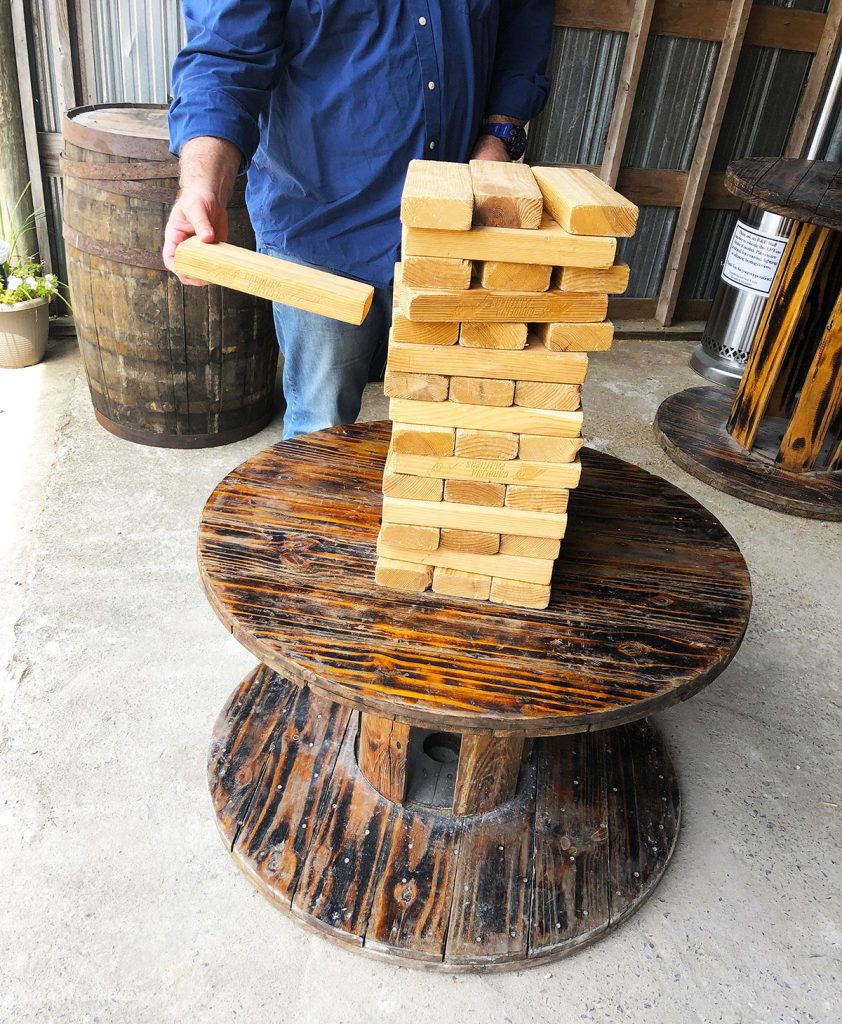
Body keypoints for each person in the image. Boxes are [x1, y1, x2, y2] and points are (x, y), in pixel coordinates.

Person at [163, 2, 554, 439]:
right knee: (320, 429)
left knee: (450, 433)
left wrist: (499, 137)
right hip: (320, 232)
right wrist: (203, 185)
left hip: (456, 227)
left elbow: (524, 26)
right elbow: (225, 55)